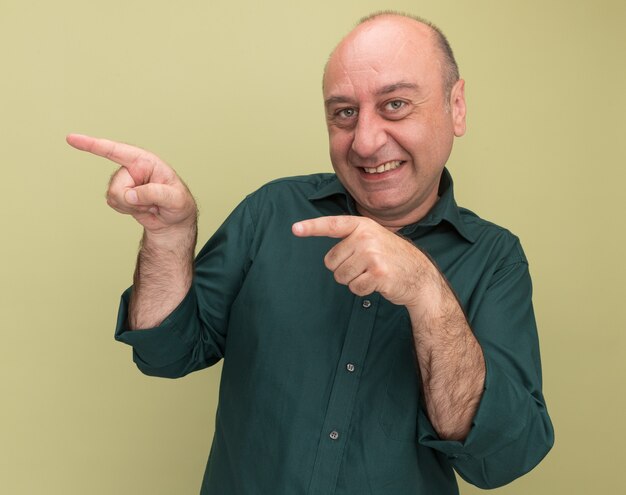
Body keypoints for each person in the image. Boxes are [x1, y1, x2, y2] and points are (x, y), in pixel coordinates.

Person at [67, 12, 553, 495]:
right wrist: (169, 238)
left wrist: (428, 293)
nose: (365, 140)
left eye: (396, 104)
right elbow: (164, 354)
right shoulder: (271, 211)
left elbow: (501, 459)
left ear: (457, 107)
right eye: (344, 112)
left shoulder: (496, 259)